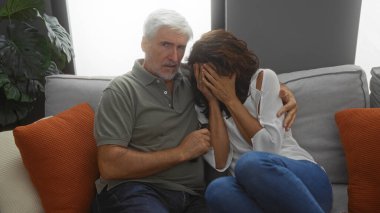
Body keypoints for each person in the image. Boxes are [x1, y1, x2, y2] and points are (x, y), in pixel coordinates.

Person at [92, 9, 298, 212]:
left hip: (192, 195)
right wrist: (180, 153)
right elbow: (110, 166)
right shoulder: (121, 90)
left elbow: (245, 76)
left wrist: (283, 90)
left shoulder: (192, 78)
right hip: (137, 189)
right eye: (165, 45)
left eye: (180, 47)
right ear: (144, 43)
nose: (174, 57)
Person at [187, 29, 333, 213]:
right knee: (217, 190)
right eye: (204, 75)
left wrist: (230, 99)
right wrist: (213, 102)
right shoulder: (203, 106)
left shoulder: (263, 79)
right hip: (259, 196)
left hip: (305, 183)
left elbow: (267, 149)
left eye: (214, 73)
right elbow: (220, 162)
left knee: (249, 164)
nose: (210, 80)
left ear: (232, 66)